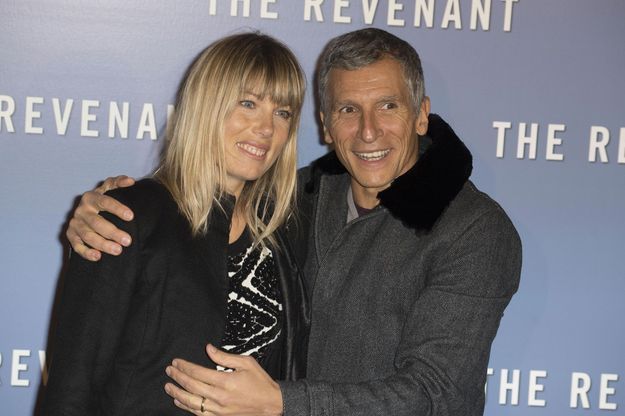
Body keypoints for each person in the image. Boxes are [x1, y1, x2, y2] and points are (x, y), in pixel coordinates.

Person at [66, 28, 522, 416]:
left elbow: (437, 393)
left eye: (388, 106)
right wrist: (106, 210)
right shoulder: (293, 201)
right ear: (325, 125)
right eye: (348, 110)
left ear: (421, 115)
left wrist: (283, 402)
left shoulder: (474, 231)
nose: (368, 131)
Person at [42, 32, 309, 415]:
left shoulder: (283, 233)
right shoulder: (127, 216)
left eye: (282, 113)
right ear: (206, 106)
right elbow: (72, 383)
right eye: (248, 103)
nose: (266, 128)